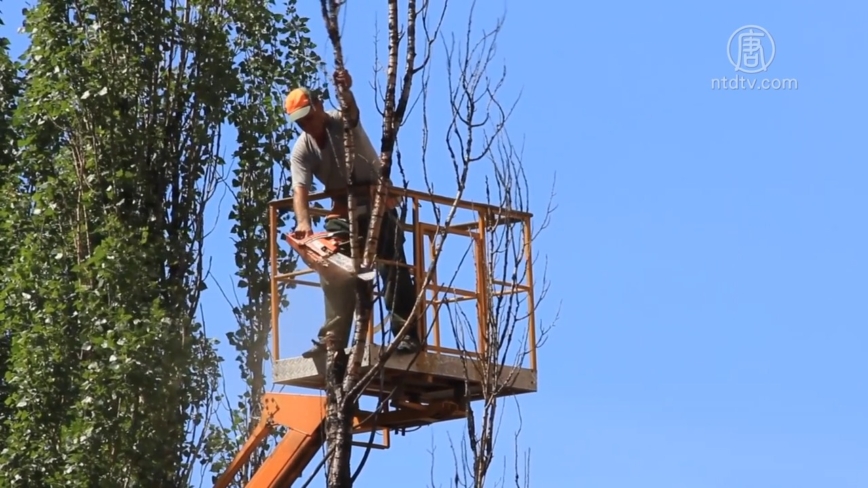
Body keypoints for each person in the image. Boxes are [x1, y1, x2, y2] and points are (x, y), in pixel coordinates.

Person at [285, 69, 421, 357]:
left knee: (390, 266)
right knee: (333, 268)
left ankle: (406, 335)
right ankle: (332, 339)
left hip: (378, 204)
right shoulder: (302, 149)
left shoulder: (341, 123)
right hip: (343, 214)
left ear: (319, 105)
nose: (306, 125)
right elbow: (300, 190)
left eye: (308, 116)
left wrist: (346, 90)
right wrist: (304, 225)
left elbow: (351, 109)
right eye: (299, 122)